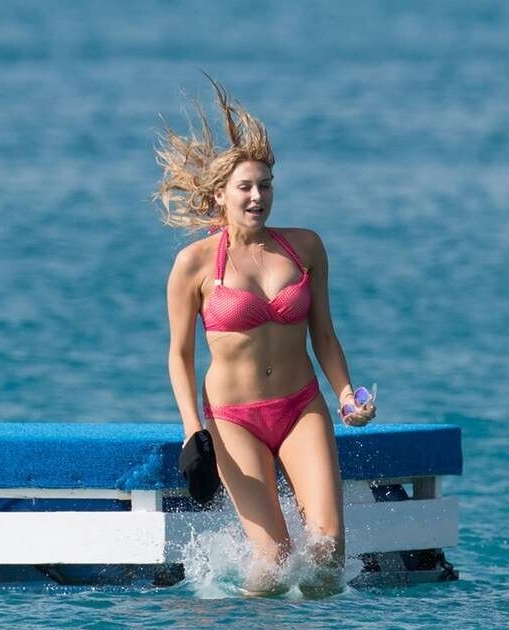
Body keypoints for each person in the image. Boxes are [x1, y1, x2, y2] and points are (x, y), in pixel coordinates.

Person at [158, 78, 376, 594]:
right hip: (234, 419)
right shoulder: (193, 265)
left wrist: (347, 395)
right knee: (275, 559)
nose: (258, 196)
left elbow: (324, 335)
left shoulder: (305, 248)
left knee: (327, 551)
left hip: (301, 406)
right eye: (246, 187)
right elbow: (180, 355)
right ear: (220, 194)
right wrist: (193, 431)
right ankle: (240, 628)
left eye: (266, 186)